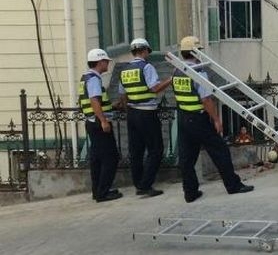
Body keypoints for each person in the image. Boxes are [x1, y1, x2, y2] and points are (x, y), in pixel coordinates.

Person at [172, 36, 254, 203]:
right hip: (198, 119)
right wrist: (216, 119)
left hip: (183, 119)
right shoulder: (198, 72)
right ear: (195, 52)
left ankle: (190, 193)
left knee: (187, 158)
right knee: (220, 151)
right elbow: (206, 99)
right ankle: (233, 185)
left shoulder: (177, 70)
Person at [118, 38, 172, 197]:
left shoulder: (124, 70)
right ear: (144, 50)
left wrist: (130, 111)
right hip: (147, 113)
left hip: (132, 113)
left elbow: (122, 96)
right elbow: (154, 88)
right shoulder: (147, 67)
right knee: (156, 149)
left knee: (136, 151)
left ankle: (138, 183)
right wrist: (170, 79)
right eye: (148, 50)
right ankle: (145, 185)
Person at [79, 49, 122, 202]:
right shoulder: (94, 79)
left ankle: (97, 191)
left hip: (91, 122)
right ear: (100, 62)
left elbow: (97, 102)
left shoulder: (86, 77)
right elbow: (94, 101)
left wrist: (111, 106)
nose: (108, 64)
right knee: (111, 158)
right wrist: (104, 121)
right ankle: (103, 192)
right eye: (106, 61)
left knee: (97, 159)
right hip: (98, 124)